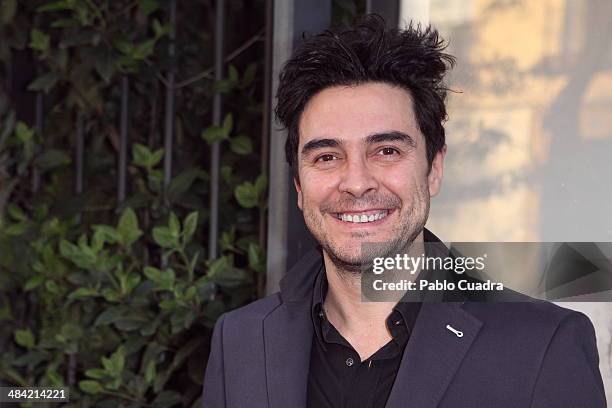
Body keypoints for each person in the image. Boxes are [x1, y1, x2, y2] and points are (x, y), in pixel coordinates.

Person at [201, 14, 606, 407]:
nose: (357, 182)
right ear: (299, 186)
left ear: (434, 169)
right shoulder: (241, 341)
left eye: (387, 151)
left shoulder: (542, 347)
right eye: (326, 156)